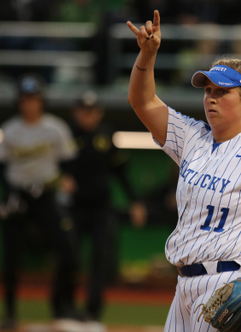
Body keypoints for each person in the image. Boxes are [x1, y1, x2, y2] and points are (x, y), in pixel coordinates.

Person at [126, 10, 241, 332]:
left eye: (222, 92)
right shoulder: (192, 137)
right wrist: (147, 55)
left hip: (235, 285)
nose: (210, 98)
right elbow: (142, 101)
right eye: (208, 91)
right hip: (184, 286)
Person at [0, 74, 81, 332]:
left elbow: (68, 162)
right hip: (17, 196)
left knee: (68, 250)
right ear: (18, 102)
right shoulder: (10, 129)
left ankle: (65, 306)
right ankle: (9, 312)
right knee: (10, 257)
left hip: (46, 196)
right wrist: (8, 193)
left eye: (34, 99)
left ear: (42, 101)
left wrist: (66, 180)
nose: (29, 104)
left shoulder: (55, 128)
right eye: (24, 99)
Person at [60, 91, 146, 332]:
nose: (89, 116)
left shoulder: (106, 135)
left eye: (93, 111)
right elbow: (52, 166)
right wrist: (59, 178)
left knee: (101, 260)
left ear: (99, 113)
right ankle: (64, 307)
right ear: (75, 112)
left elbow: (121, 172)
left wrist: (135, 201)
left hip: (101, 208)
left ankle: (92, 311)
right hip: (72, 208)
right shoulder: (65, 135)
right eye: (84, 111)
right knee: (69, 257)